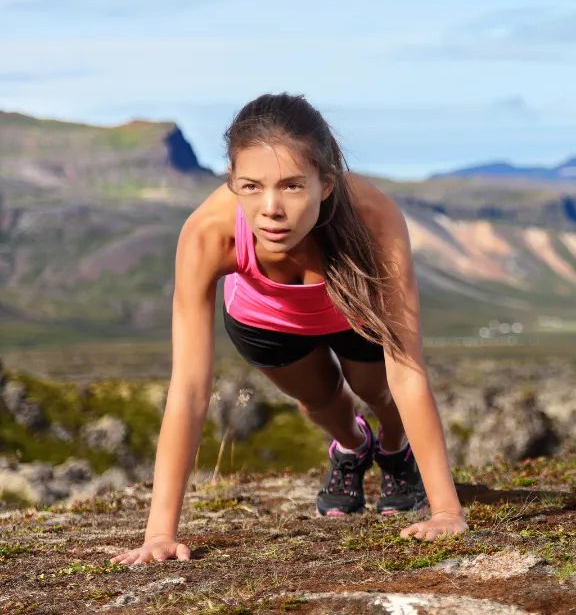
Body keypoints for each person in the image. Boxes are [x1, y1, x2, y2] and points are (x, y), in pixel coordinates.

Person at [111, 93, 468, 565]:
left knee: (380, 390)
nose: (271, 208)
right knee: (322, 401)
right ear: (232, 184)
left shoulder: (373, 217)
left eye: (293, 186)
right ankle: (353, 447)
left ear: (325, 184)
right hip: (266, 321)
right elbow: (190, 390)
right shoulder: (207, 234)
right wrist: (159, 534)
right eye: (252, 186)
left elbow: (407, 369)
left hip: (353, 306)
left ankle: (395, 451)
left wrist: (446, 511)